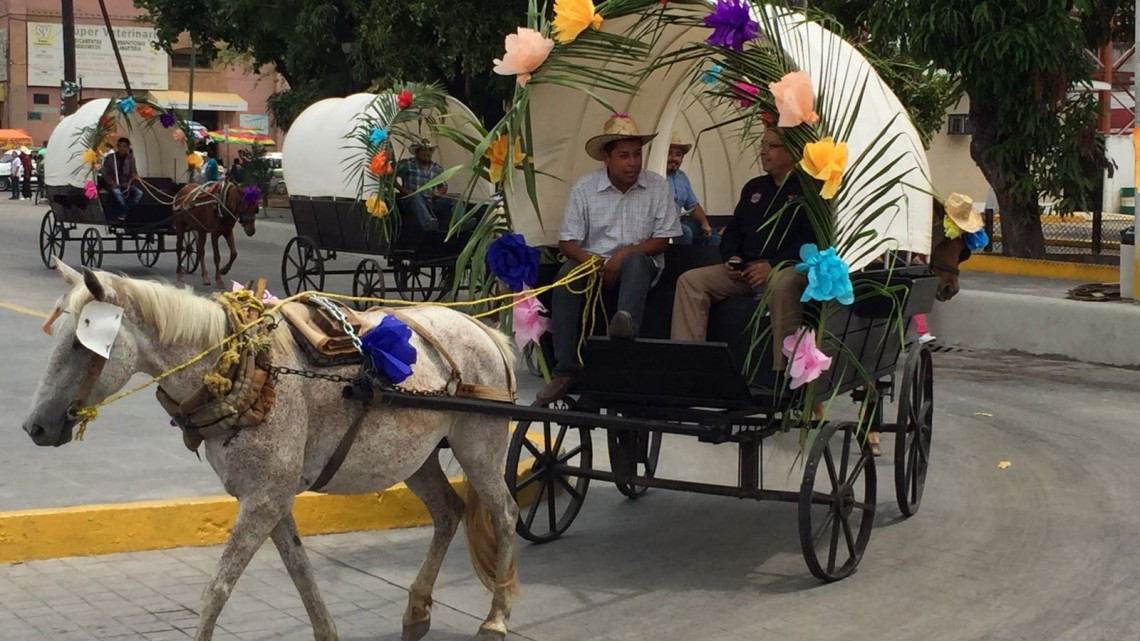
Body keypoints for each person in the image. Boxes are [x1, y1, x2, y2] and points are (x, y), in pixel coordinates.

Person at [536, 114, 682, 404]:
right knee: (566, 275)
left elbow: (663, 239)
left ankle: (623, 344)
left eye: (637, 155)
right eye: (624, 156)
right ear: (607, 158)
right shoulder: (584, 188)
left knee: (636, 263)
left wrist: (624, 255)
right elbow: (567, 242)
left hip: (639, 265)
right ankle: (565, 370)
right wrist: (594, 262)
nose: (633, 163)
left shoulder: (657, 186)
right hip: (592, 264)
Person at [671, 127, 815, 372]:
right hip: (745, 270)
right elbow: (734, 230)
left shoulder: (809, 189)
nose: (764, 152)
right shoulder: (754, 188)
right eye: (762, 145)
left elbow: (810, 240)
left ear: (792, 152)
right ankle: (689, 365)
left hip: (787, 268)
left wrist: (773, 266)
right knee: (690, 281)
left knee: (783, 283)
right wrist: (732, 256)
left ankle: (784, 373)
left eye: (771, 146)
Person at [666, 133, 719, 246]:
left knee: (712, 234)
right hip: (662, 225)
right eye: (669, 153)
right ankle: (682, 263)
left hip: (678, 222)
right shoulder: (656, 175)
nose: (674, 158)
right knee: (685, 232)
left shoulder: (682, 177)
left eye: (678, 155)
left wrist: (705, 224)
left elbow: (693, 205)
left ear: (682, 158)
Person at [395, 140, 456, 232]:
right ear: (417, 152)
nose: (426, 153)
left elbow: (444, 185)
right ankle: (428, 224)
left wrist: (438, 193)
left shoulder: (437, 168)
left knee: (456, 198)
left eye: (429, 150)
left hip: (431, 201)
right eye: (423, 150)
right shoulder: (407, 164)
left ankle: (459, 223)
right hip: (412, 201)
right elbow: (391, 177)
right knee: (415, 195)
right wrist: (403, 191)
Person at [100, 137, 144, 221]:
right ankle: (126, 211)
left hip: (126, 184)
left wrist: (135, 176)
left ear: (128, 147)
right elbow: (105, 173)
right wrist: (112, 183)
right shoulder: (110, 158)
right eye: (120, 146)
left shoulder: (130, 158)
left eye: (124, 146)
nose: (122, 148)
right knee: (117, 193)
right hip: (112, 184)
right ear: (117, 146)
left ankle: (126, 209)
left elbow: (133, 172)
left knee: (139, 193)